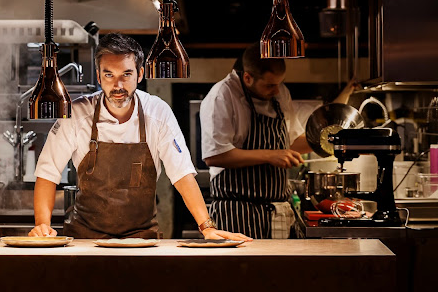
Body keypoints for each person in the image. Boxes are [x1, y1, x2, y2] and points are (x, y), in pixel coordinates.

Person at [29, 33, 252, 241]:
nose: (118, 85)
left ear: (140, 74)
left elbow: (182, 174)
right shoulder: (77, 114)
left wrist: (207, 227)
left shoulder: (158, 113)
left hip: (141, 240)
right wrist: (42, 225)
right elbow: (48, 173)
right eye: (109, 75)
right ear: (98, 76)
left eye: (126, 74)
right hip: (86, 238)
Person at [200, 43, 358, 239]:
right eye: (270, 85)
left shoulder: (280, 93)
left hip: (278, 212)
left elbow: (291, 143)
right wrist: (271, 155)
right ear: (247, 77)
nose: (276, 90)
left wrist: (329, 142)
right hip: (238, 214)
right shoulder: (222, 96)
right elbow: (215, 155)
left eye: (280, 83)